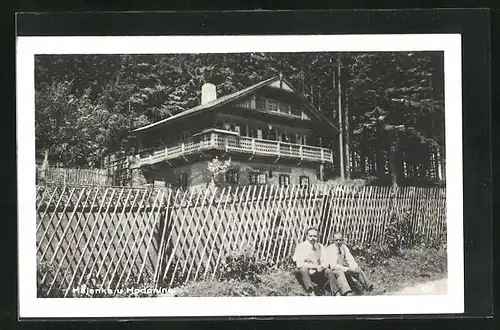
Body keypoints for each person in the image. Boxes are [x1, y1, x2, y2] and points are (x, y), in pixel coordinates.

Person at [292, 227, 340, 296]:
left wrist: (321, 267)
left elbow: (326, 261)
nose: (313, 238)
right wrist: (315, 267)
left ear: (318, 237)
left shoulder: (320, 246)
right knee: (303, 269)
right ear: (306, 236)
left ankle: (336, 292)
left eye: (315, 236)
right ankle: (310, 291)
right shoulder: (301, 246)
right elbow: (299, 263)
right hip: (304, 272)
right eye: (310, 236)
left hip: (317, 271)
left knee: (328, 271)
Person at [324, 232, 374, 296]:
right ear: (333, 240)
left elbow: (350, 260)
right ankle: (347, 292)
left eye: (340, 240)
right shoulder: (330, 249)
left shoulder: (344, 248)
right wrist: (347, 269)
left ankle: (369, 287)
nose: (338, 242)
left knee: (357, 268)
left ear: (342, 240)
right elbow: (333, 265)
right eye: (336, 240)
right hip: (333, 271)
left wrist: (353, 268)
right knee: (340, 272)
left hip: (342, 268)